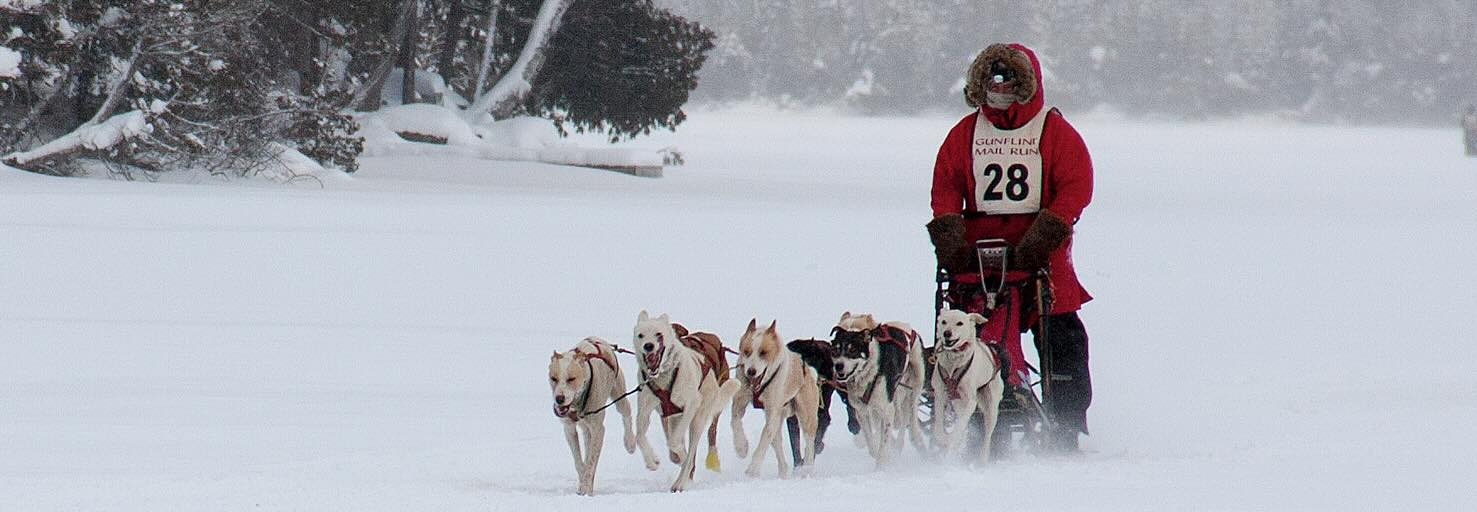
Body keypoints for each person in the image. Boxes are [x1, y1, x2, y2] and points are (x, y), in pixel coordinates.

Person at [925, 43, 1093, 452]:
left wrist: (1044, 235)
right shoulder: (965, 133)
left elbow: (1076, 185)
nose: (1000, 90)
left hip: (1040, 249)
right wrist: (950, 239)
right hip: (976, 253)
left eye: (1009, 82)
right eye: (992, 82)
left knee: (1061, 332)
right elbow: (946, 186)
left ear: (1026, 85)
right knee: (971, 326)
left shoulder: (1053, 132)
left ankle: (1065, 425)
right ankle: (981, 407)